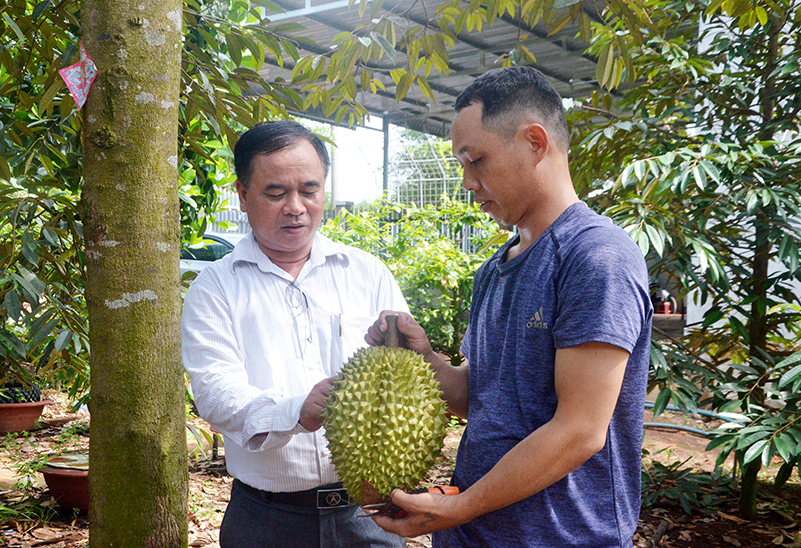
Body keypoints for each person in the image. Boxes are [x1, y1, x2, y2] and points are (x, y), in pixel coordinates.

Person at [365, 66, 653, 547]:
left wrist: (458, 507)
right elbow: (481, 398)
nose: (467, 181)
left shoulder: (595, 256)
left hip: (562, 536)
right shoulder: (495, 270)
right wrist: (426, 360)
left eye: (475, 160)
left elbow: (580, 429)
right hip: (475, 535)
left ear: (535, 143)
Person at [182, 120, 409, 548]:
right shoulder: (215, 287)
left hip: (367, 514)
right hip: (267, 520)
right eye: (275, 193)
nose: (296, 207)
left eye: (309, 189)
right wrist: (295, 411)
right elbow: (214, 391)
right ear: (243, 195)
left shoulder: (367, 273)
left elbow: (402, 377)